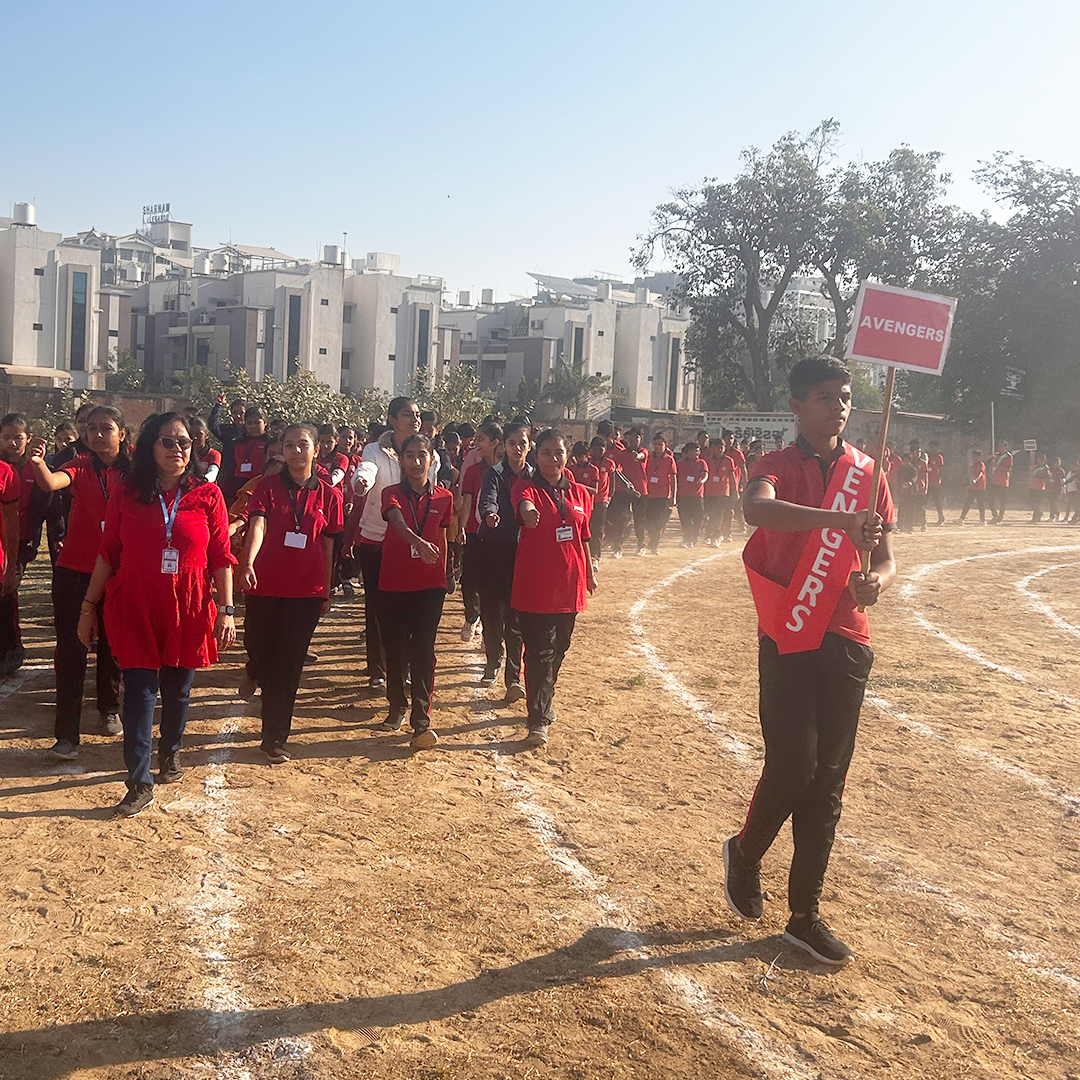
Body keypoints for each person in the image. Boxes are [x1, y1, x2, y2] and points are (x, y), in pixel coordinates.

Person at [724, 355, 896, 967]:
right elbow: (758, 511)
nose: (840, 406)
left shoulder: (868, 471)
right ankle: (745, 855)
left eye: (845, 396)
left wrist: (875, 578)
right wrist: (839, 521)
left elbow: (884, 554)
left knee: (828, 781)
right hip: (790, 631)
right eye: (826, 396)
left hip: (848, 635)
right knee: (793, 765)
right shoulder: (773, 465)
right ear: (798, 404)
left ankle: (805, 914)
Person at [76, 413, 236, 817]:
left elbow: (220, 556)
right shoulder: (127, 491)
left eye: (184, 443)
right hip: (135, 604)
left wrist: (227, 610)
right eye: (167, 442)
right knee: (140, 694)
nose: (177, 449)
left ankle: (171, 750)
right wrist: (87, 607)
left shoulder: (207, 495)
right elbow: (109, 552)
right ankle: (138, 780)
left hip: (189, 605)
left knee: (178, 690)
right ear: (149, 446)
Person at [239, 423, 342, 764]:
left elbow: (328, 547)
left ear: (316, 450)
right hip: (265, 585)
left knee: (289, 664)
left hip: (306, 592)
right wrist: (248, 562)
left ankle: (274, 737)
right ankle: (255, 669)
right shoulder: (266, 487)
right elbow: (258, 525)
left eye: (303, 445)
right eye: (289, 445)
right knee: (258, 646)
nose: (296, 451)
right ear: (281, 451)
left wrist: (326, 589)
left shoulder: (330, 495)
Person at [29, 406, 127, 759]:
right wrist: (39, 463)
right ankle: (66, 735)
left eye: (106, 428)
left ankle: (109, 708)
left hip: (118, 570)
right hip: (74, 569)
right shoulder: (80, 466)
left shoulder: (134, 473)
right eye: (91, 429)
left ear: (122, 434)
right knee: (71, 649)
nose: (97, 434)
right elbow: (52, 481)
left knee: (113, 644)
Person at [511, 430, 597, 749]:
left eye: (558, 452)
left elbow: (584, 537)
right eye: (546, 453)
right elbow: (523, 505)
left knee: (560, 648)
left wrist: (589, 574)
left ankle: (544, 693)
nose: (552, 458)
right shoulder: (527, 487)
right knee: (541, 652)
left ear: (567, 456)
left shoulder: (579, 493)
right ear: (536, 457)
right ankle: (538, 719)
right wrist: (528, 513)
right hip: (534, 587)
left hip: (569, 586)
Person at [351, 398, 435, 695]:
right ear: (391, 419)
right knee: (377, 607)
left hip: (414, 543)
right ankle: (377, 669)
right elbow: (366, 470)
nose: (414, 418)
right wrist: (361, 482)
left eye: (417, 413)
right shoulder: (374, 450)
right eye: (406, 414)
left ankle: (406, 667)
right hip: (377, 539)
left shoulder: (429, 454)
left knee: (411, 607)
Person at [376, 433, 453, 747]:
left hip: (429, 586)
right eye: (409, 455)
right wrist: (418, 543)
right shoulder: (390, 493)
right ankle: (396, 706)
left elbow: (445, 538)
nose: (416, 461)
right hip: (393, 582)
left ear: (431, 459)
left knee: (424, 650)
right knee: (394, 649)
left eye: (422, 455)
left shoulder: (445, 498)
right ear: (401, 460)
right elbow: (395, 522)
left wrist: (445, 573)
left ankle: (421, 719)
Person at [477, 422, 533, 703]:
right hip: (492, 550)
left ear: (529, 445)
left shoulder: (536, 477)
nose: (517, 447)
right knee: (491, 613)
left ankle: (514, 677)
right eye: (512, 443)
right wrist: (490, 514)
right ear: (504, 446)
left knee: (516, 617)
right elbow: (487, 501)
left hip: (523, 555)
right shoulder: (493, 475)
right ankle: (492, 661)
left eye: (522, 442)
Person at [458, 423, 500, 644]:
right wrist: (462, 528)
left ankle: (488, 625)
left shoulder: (505, 470)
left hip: (497, 535)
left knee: (491, 581)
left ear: (495, 443)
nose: (476, 444)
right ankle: (471, 615)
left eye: (481, 439)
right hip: (474, 531)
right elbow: (467, 500)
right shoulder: (474, 470)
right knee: (468, 580)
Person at [0, 414, 35, 676]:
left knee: (6, 602)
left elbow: (12, 525)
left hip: (10, 549)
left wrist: (11, 563)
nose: (12, 442)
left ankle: (11, 649)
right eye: (7, 437)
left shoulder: (9, 472)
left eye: (18, 437)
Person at [607, 429, 647, 557]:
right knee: (619, 519)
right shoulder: (622, 453)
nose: (633, 440)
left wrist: (637, 456)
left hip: (640, 490)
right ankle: (617, 548)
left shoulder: (643, 451)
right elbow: (614, 467)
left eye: (636, 437)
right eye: (630, 437)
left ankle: (641, 545)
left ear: (640, 439)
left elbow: (642, 456)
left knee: (639, 519)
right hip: (623, 490)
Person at [585, 436, 616, 571]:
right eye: (595, 449)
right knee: (586, 528)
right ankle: (585, 557)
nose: (597, 451)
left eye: (600, 449)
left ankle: (595, 557)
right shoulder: (587, 463)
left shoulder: (609, 463)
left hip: (601, 501)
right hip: (586, 500)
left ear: (605, 450)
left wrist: (610, 495)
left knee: (597, 529)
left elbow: (613, 479)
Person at [644, 432, 676, 554]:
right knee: (649, 520)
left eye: (660, 444)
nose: (657, 446)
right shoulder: (649, 458)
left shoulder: (669, 460)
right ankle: (652, 538)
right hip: (649, 494)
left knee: (658, 521)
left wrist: (673, 496)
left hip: (662, 495)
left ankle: (654, 544)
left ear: (665, 445)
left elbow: (673, 478)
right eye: (655, 444)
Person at [675, 441, 708, 547]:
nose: (698, 453)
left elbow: (705, 474)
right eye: (696, 451)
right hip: (683, 495)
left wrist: (702, 481)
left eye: (698, 451)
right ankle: (687, 538)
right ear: (689, 452)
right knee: (685, 518)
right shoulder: (680, 464)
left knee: (698, 518)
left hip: (697, 495)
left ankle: (695, 536)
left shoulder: (701, 462)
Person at [957, 450, 987, 525]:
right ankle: (961, 519)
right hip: (973, 487)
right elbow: (971, 473)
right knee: (967, 503)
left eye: (974, 456)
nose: (972, 458)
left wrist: (975, 479)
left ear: (978, 457)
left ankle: (982, 520)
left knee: (981, 504)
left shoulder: (981, 464)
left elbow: (980, 473)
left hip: (980, 487)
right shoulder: (973, 465)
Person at [188, 416, 221, 484]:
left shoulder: (213, 454)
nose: (195, 438)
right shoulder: (186, 454)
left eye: (199, 434)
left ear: (207, 435)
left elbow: (213, 472)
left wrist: (204, 480)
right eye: (191, 434)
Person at [988, 440, 1012, 524]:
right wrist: (991, 458)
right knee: (990, 499)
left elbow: (1008, 468)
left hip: (1003, 481)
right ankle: (994, 514)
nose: (1000, 448)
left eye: (1002, 446)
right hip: (994, 480)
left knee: (1002, 501)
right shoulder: (996, 455)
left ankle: (1000, 517)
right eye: (999, 446)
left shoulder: (1008, 456)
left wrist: (998, 466)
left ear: (1006, 447)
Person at [926, 442, 946, 525]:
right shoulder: (928, 457)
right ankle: (920, 518)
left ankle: (941, 517)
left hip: (936, 483)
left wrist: (939, 480)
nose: (932, 449)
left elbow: (941, 470)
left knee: (937, 501)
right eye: (931, 447)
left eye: (933, 447)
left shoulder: (939, 457)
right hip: (928, 482)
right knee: (924, 501)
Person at [1029, 453, 1051, 523]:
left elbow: (1047, 476)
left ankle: (1036, 517)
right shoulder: (1036, 467)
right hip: (1033, 486)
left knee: (1037, 502)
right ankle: (1038, 513)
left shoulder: (1045, 468)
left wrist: (1038, 476)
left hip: (1040, 487)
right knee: (1031, 501)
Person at [1048, 457, 1066, 521]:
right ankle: (1056, 512)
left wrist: (1063, 489)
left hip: (1058, 489)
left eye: (1059, 463)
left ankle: (1052, 516)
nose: (1057, 464)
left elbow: (1063, 480)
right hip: (1051, 488)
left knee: (1054, 502)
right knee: (1052, 502)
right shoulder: (1051, 470)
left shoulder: (1061, 471)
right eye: (1056, 463)